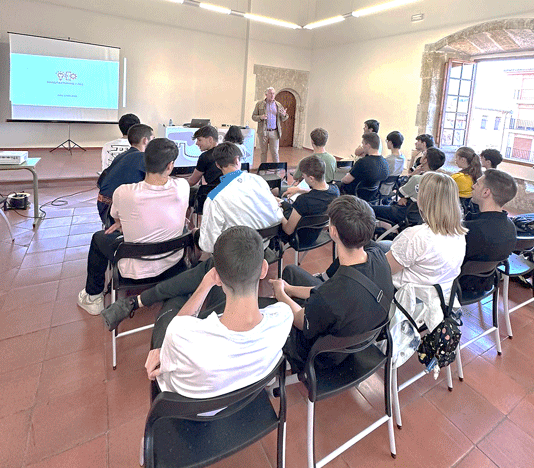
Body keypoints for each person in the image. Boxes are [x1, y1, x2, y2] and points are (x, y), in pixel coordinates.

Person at [101, 142, 283, 331]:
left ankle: (138, 303)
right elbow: (276, 216)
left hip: (235, 257)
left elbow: (208, 245)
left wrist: (197, 233)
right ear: (238, 160)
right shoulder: (259, 181)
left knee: (198, 271)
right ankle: (139, 303)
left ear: (218, 165)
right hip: (263, 247)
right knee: (194, 276)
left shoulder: (215, 197)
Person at [144, 226, 293, 399]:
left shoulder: (180, 336)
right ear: (264, 269)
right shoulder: (284, 317)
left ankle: (141, 300)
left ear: (217, 277)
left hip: (191, 411)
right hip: (246, 403)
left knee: (172, 304)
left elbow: (179, 325)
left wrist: (205, 284)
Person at [269, 195, 393, 371]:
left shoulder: (330, 295)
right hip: (362, 338)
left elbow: (300, 320)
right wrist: (290, 289)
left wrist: (281, 293)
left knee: (282, 298)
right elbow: (327, 291)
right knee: (292, 273)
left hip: (323, 356)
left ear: (333, 232)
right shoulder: (378, 254)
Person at [78, 138, 189, 315]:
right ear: (170, 166)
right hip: (173, 264)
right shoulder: (183, 186)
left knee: (99, 238)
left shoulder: (124, 192)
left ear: (144, 162)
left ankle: (93, 297)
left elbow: (115, 218)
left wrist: (125, 222)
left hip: (134, 272)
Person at [386, 172, 466, 305]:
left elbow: (385, 270)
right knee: (383, 245)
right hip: (439, 295)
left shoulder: (415, 236)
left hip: (406, 298)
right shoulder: (459, 233)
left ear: (423, 199)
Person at [461, 169, 518, 290]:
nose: (473, 186)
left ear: (486, 192)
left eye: (477, 183)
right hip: (488, 284)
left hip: (459, 287)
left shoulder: (471, 229)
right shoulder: (511, 227)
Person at [372, 147, 446, 227]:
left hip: (404, 214)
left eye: (424, 154)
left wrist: (412, 174)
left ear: (425, 160)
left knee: (370, 209)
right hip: (421, 218)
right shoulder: (440, 182)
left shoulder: (417, 179)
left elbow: (400, 192)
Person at [96, 123, 153, 226]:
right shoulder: (142, 157)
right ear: (145, 140)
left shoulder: (122, 155)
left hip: (103, 205)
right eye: (152, 139)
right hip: (113, 210)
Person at [280, 155, 339, 241]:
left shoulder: (303, 200)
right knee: (281, 201)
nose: (303, 178)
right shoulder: (335, 190)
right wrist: (299, 189)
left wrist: (278, 212)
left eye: (304, 176)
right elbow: (319, 193)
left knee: (277, 210)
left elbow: (288, 230)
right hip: (317, 232)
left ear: (311, 178)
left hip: (299, 238)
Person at [286, 128, 336, 197]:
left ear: (312, 141)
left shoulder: (305, 161)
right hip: (328, 191)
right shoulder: (333, 159)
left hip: (311, 191)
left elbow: (296, 177)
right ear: (325, 141)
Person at [341, 132, 389, 196]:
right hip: (373, 195)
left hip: (355, 195)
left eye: (363, 144)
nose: (362, 146)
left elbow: (346, 180)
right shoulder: (385, 162)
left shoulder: (362, 162)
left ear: (368, 145)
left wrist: (341, 179)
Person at [188, 125, 222, 209]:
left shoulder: (205, 157)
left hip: (210, 194)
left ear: (210, 139)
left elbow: (192, 181)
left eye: (199, 140)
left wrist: (177, 185)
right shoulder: (226, 152)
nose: (197, 143)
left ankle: (190, 218)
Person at [252, 87, 288, 163]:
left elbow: (284, 118)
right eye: (270, 93)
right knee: (263, 152)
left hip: (274, 132)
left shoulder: (278, 105)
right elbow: (253, 117)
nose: (272, 95)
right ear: (266, 94)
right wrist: (260, 117)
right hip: (263, 132)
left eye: (273, 93)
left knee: (275, 152)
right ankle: (263, 169)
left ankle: (277, 169)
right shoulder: (259, 104)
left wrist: (284, 115)